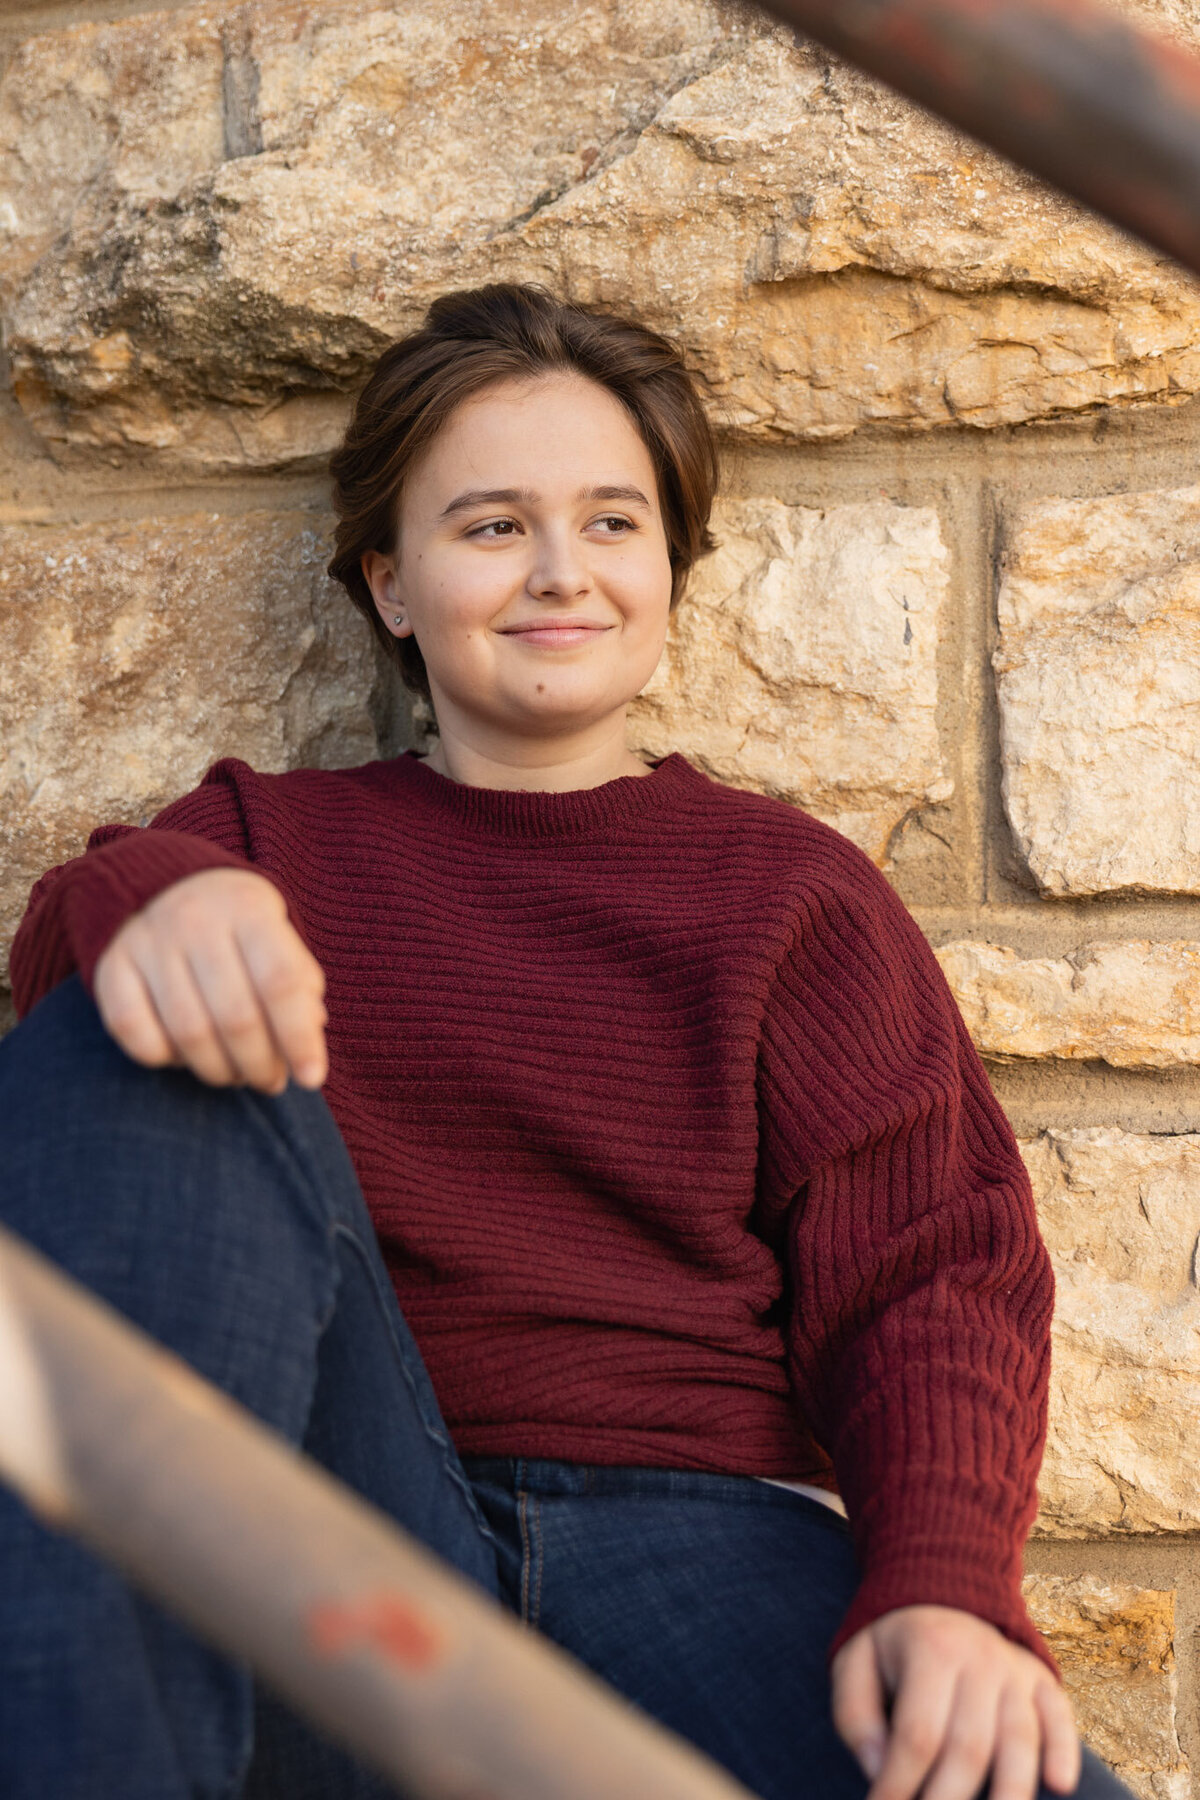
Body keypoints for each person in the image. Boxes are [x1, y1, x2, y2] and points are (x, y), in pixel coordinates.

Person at [0, 283, 1133, 1800]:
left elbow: (932, 1265)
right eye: (490, 527)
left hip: (695, 1538)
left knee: (991, 1774)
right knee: (121, 1040)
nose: (559, 573)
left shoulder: (787, 891)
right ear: (391, 584)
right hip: (344, 1516)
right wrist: (155, 894)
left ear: (669, 568)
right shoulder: (266, 838)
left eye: (612, 522)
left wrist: (943, 1584)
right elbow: (66, 988)